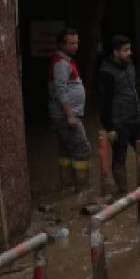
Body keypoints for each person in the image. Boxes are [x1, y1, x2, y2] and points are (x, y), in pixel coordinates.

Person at [98, 35, 140, 195]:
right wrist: (109, 127)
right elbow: (104, 102)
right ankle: (122, 192)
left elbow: (133, 91)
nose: (129, 53)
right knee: (120, 157)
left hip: (135, 118)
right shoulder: (107, 72)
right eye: (125, 50)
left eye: (129, 49)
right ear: (115, 52)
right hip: (119, 122)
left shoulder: (129, 66)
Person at [48, 28, 91, 191]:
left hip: (64, 115)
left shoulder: (65, 60)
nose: (76, 46)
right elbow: (60, 90)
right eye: (72, 43)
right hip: (67, 116)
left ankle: (67, 187)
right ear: (61, 44)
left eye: (77, 43)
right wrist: (70, 115)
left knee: (66, 150)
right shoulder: (61, 63)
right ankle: (83, 190)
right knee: (82, 149)